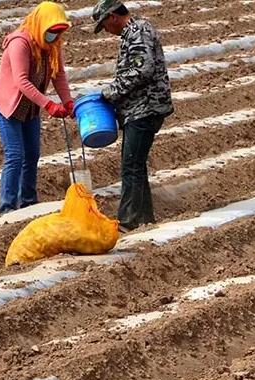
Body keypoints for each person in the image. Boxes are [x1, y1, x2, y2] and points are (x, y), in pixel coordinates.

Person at [92, 0, 174, 232]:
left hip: (145, 107)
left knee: (131, 165)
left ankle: (128, 221)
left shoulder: (138, 31)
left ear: (112, 17)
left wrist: (111, 92)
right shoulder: (133, 32)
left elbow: (142, 69)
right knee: (136, 165)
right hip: (138, 109)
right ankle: (145, 218)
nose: (106, 31)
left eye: (104, 25)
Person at [0, 1, 75, 214]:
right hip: (8, 106)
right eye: (52, 32)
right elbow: (21, 81)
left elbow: (59, 75)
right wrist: (48, 104)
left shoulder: (51, 46)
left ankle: (28, 201)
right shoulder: (20, 43)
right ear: (41, 25)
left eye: (58, 33)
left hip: (30, 107)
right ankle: (7, 207)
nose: (55, 37)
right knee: (15, 155)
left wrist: (68, 102)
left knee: (33, 154)